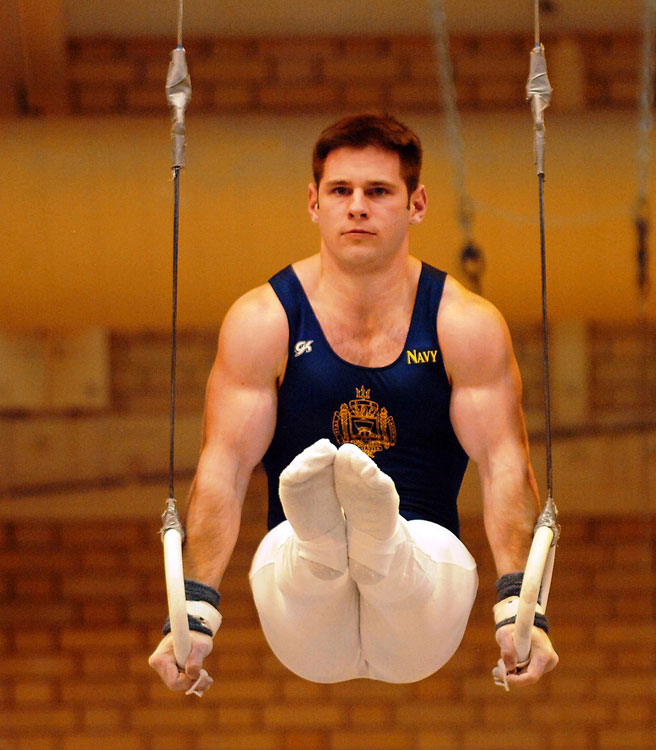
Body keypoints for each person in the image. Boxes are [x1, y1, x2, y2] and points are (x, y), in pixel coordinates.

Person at [149, 113, 559, 694]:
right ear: (314, 203)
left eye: (379, 191)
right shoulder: (264, 321)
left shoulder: (463, 324)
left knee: (412, 558)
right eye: (341, 190)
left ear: (417, 204)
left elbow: (505, 466)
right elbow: (223, 469)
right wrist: (190, 611)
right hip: (300, 595)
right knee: (296, 557)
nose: (358, 207)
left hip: (425, 572)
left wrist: (524, 609)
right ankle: (331, 538)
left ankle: (375, 537)